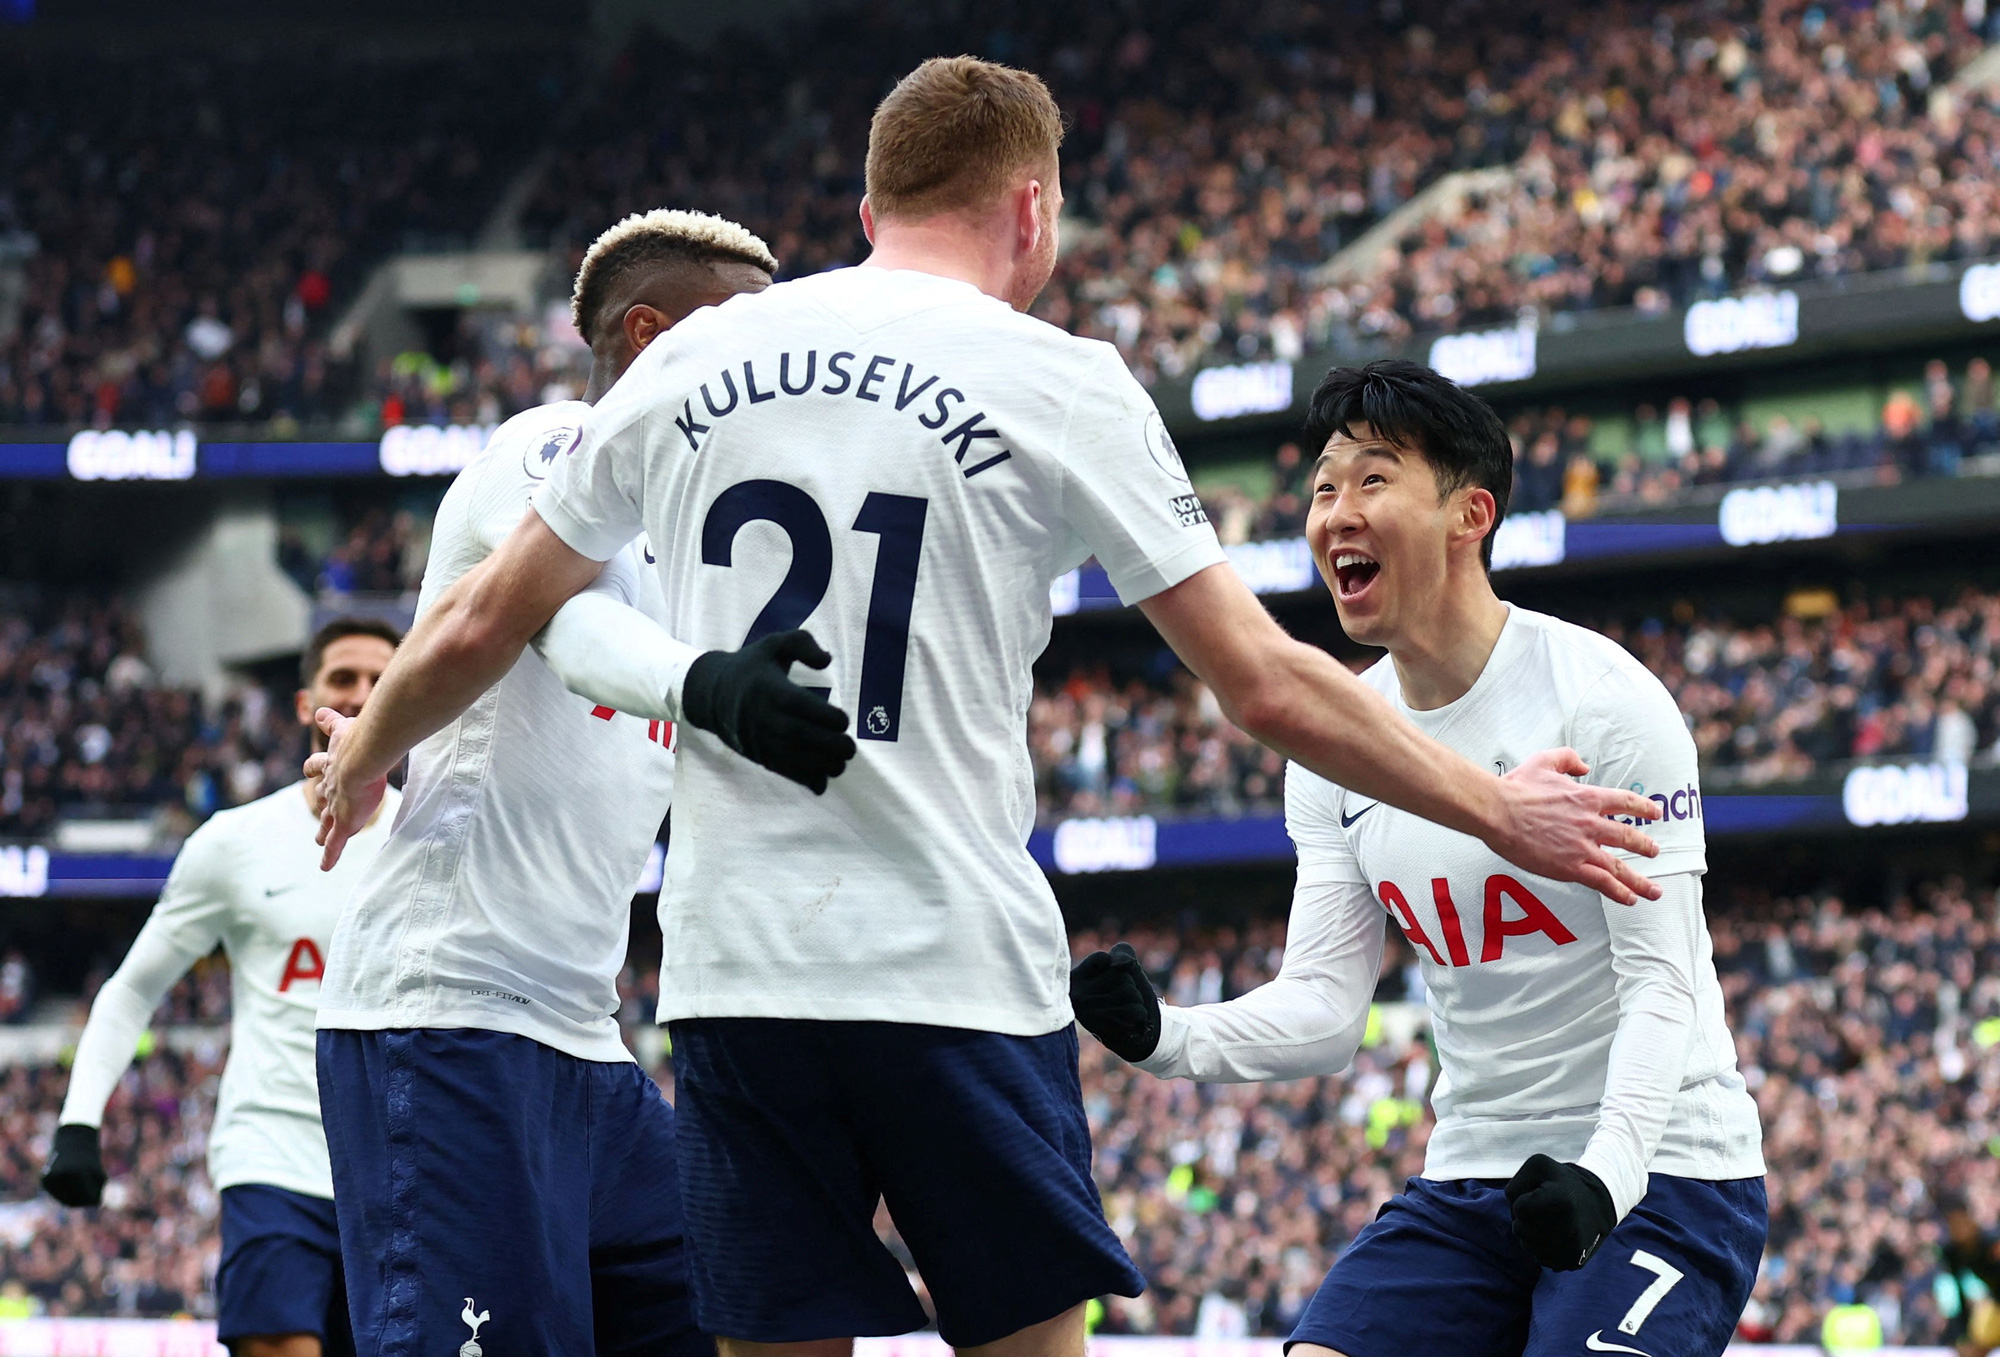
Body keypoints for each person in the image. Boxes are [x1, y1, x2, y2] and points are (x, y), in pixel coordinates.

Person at [306, 60, 1663, 1357]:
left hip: (736, 977)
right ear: (1033, 206)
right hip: (950, 967)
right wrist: (1498, 804)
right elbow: (1260, 680)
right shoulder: (1057, 377)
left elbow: (483, 617)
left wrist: (368, 747)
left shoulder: (693, 359)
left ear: (866, 211)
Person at [1072, 360, 1767, 1357]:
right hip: (1469, 1177)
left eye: (1369, 480)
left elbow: (1661, 985)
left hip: (1663, 1175)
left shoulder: (1603, 703)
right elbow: (1321, 1007)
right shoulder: (1335, 748)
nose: (1332, 513)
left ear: (1467, 513)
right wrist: (1166, 1036)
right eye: (1320, 488)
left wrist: (1605, 1175)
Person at [307, 210, 833, 1357]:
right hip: (446, 1019)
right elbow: (543, 625)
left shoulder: (695, 540)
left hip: (586, 1046)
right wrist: (363, 753)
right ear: (646, 338)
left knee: (729, 1321)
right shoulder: (554, 445)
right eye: (744, 336)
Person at [42, 618, 402, 1357]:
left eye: (381, 679)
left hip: (404, 1167)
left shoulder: (438, 836)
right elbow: (133, 988)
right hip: (272, 1158)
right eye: (343, 678)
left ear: (409, 691)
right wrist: (80, 1121)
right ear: (307, 702)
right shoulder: (233, 842)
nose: (361, 694)